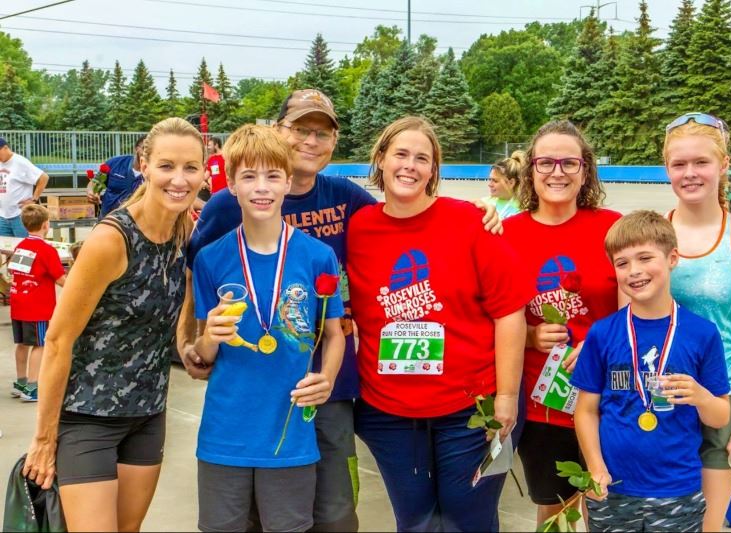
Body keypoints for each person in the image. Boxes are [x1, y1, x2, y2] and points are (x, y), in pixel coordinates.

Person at [180, 89, 501, 532]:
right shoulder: (227, 205)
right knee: (251, 512)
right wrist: (190, 345)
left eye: (322, 133)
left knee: (334, 509)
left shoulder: (349, 200)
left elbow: (404, 218)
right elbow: (195, 279)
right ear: (279, 131)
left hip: (331, 384)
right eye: (301, 130)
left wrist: (480, 211)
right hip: (253, 385)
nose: (311, 142)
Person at [347, 116, 530, 532]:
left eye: (422, 158)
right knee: (415, 522)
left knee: (468, 521)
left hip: (469, 410)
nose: (410, 165)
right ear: (380, 159)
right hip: (388, 411)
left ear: (434, 170)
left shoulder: (471, 222)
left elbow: (509, 313)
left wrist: (505, 398)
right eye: (400, 154)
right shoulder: (359, 227)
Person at [22, 117, 205, 531]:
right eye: (167, 166)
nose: (179, 179)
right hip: (88, 418)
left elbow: (174, 310)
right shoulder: (112, 240)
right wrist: (45, 439)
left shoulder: (184, 229)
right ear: (144, 164)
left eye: (191, 167)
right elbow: (57, 341)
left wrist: (188, 347)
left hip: (147, 415)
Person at [191, 124, 345, 532]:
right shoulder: (211, 259)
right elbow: (203, 354)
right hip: (225, 434)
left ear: (288, 182)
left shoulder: (318, 257)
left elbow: (334, 334)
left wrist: (326, 378)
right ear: (231, 185)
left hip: (290, 432)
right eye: (249, 176)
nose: (262, 188)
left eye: (272, 176)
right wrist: (210, 338)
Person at [572, 210, 730, 532]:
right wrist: (595, 466)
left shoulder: (702, 334)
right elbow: (586, 412)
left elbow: (721, 416)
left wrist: (701, 397)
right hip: (613, 488)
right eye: (622, 263)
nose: (634, 271)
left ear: (672, 258)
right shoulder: (602, 334)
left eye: (645, 258)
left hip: (677, 491)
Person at [501, 120, 622, 528]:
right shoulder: (505, 234)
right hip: (543, 404)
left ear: (585, 170)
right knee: (557, 511)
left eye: (569, 163)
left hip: (610, 397)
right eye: (546, 162)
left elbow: (645, 302)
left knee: (607, 506)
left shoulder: (612, 227)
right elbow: (491, 317)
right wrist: (530, 336)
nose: (557, 172)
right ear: (530, 170)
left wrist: (602, 342)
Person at [663, 112, 731, 532]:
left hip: (724, 397)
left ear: (724, 164)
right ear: (666, 168)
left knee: (706, 525)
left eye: (701, 162)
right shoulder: (651, 234)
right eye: (679, 164)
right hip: (659, 396)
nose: (690, 174)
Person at [8, 204, 66, 402]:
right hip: (38, 308)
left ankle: (21, 381)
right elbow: (60, 278)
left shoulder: (20, 246)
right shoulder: (47, 250)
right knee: (40, 346)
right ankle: (33, 387)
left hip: (18, 303)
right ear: (46, 225)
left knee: (22, 343)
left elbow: (15, 272)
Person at [0, 136, 49, 237]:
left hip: (20, 216)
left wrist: (33, 199)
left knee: (25, 248)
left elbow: (43, 177)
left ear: (5, 148)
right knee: (4, 248)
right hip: (3, 216)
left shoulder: (20, 162)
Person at [87, 135, 146, 218]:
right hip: (107, 219)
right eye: (144, 148)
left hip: (137, 223)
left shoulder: (155, 172)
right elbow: (95, 181)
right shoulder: (115, 163)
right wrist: (91, 192)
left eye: (152, 150)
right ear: (136, 148)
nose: (147, 152)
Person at [481, 151, 525, 219]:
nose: (489, 184)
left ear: (511, 183)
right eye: (490, 179)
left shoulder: (522, 210)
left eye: (495, 181)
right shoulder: (483, 203)